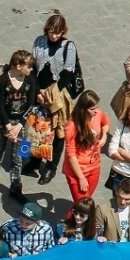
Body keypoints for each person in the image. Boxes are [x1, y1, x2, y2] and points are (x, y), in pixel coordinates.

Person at [0, 50, 38, 204]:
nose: (31, 69)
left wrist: (19, 126)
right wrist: (8, 126)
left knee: (19, 157)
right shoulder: (3, 80)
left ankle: (16, 188)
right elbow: (0, 106)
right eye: (29, 66)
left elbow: (31, 105)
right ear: (18, 66)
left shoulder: (30, 80)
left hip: (23, 125)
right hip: (3, 123)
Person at [31, 13, 80, 183]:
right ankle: (34, 160)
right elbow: (32, 68)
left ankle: (51, 167)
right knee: (37, 127)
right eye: (51, 31)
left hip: (58, 95)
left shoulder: (69, 46)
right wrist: (38, 92)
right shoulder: (39, 41)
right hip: (39, 92)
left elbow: (68, 74)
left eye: (57, 32)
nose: (54, 35)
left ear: (63, 32)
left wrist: (49, 94)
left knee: (58, 132)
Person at [62, 90, 110, 205]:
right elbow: (71, 155)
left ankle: (74, 221)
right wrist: (81, 178)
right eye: (92, 109)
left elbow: (106, 123)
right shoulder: (72, 126)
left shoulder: (98, 114)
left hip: (94, 168)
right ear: (84, 109)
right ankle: (74, 222)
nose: (96, 111)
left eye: (97, 107)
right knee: (83, 204)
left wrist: (104, 137)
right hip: (77, 171)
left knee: (85, 203)